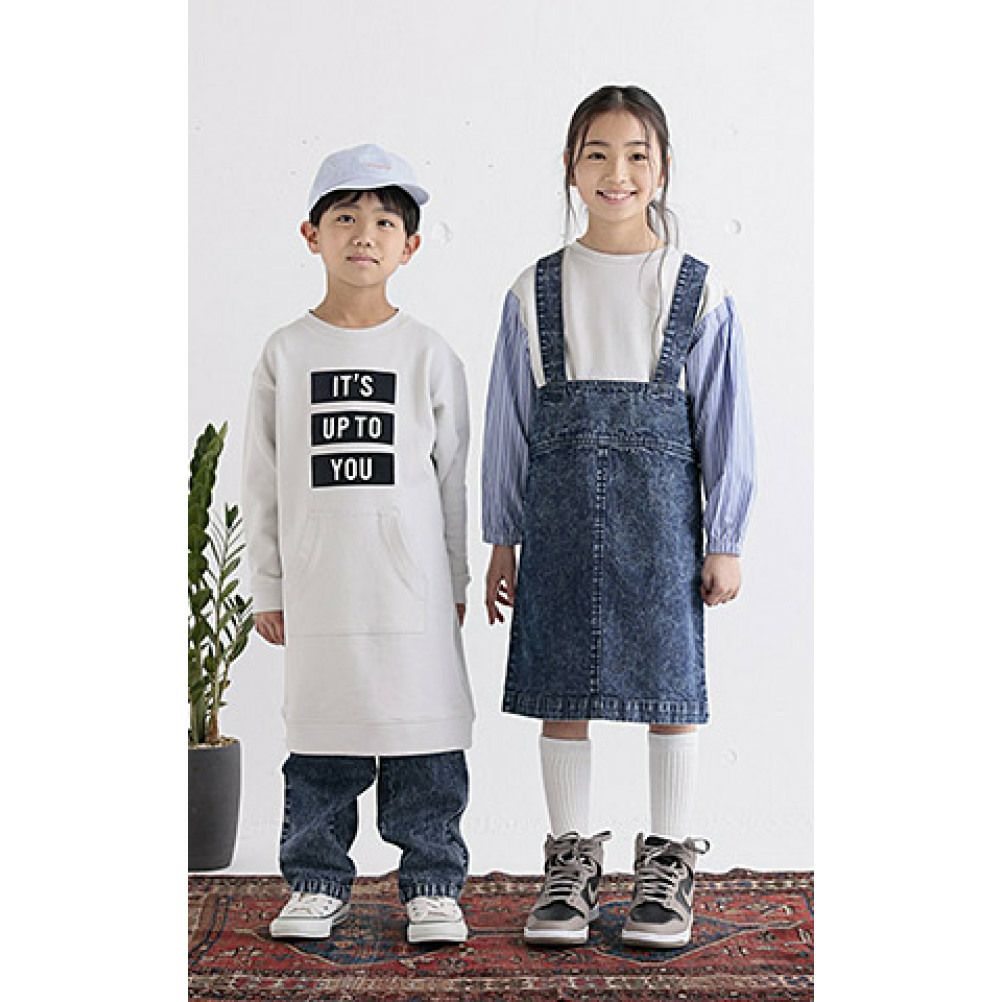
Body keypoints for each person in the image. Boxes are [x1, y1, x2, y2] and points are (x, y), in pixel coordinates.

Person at [482, 85, 755, 949]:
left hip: (663, 526)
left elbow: (726, 421)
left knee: (670, 687)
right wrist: (501, 537)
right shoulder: (534, 288)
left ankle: (667, 863)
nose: (617, 172)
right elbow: (509, 423)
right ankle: (569, 863)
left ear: (663, 168)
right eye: (597, 153)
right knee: (562, 688)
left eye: (637, 154)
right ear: (571, 167)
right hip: (558, 521)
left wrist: (726, 538)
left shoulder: (695, 288)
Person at [242, 144, 474, 945]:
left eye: (383, 222)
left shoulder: (428, 353)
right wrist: (268, 583)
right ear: (312, 235)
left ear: (411, 245)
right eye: (345, 218)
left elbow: (452, 478)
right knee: (322, 737)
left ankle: (432, 884)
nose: (364, 235)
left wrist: (454, 578)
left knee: (424, 737)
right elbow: (263, 477)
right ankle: (315, 881)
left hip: (411, 588)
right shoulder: (286, 352)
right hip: (321, 585)